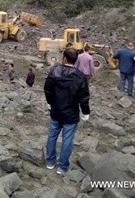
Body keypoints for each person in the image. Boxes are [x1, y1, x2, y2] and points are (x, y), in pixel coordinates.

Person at [45, 47, 90, 175]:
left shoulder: (55, 71)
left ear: (64, 58)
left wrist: (50, 103)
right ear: (76, 60)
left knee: (52, 136)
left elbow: (47, 88)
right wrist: (86, 112)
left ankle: (50, 162)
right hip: (71, 113)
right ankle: (62, 167)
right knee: (67, 140)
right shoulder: (80, 76)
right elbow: (84, 97)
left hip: (56, 111)